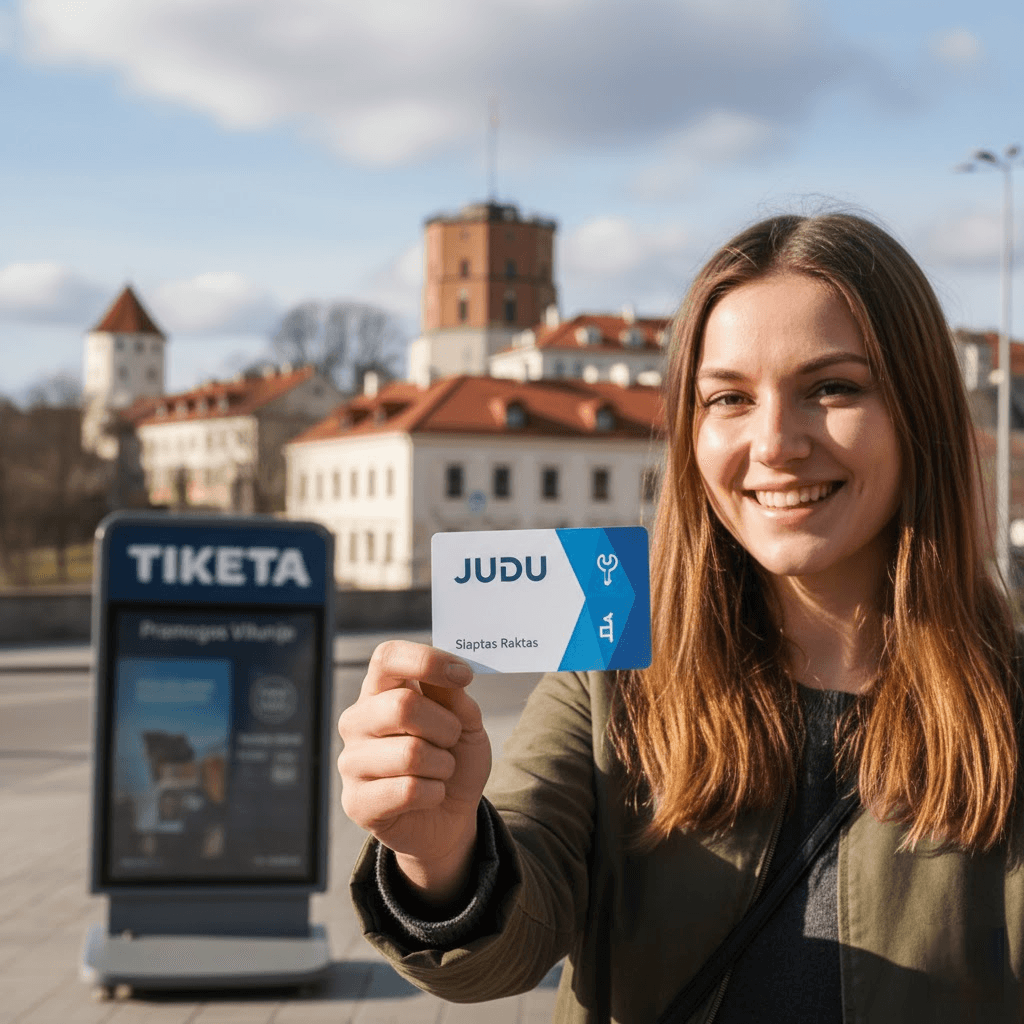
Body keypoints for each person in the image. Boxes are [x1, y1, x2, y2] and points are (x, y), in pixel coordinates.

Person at [337, 212, 1024, 1023]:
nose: (773, 443)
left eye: (832, 387)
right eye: (728, 398)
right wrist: (440, 849)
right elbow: (506, 944)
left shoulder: (1007, 695)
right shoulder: (613, 671)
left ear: (920, 411)